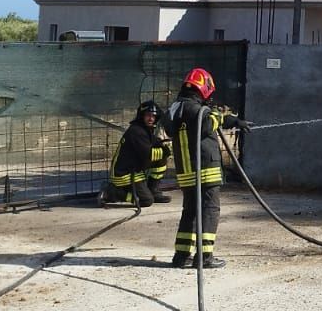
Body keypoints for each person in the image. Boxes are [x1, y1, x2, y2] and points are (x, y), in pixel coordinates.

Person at [167, 67, 251, 269]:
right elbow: (206, 124)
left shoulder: (174, 109)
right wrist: (220, 117)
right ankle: (205, 256)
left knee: (190, 211)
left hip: (186, 172)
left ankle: (181, 255)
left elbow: (207, 120)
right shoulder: (198, 111)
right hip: (205, 169)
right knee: (209, 210)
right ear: (204, 88)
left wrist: (234, 121)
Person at [99, 100, 170, 207]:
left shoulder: (145, 129)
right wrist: (166, 151)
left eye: (153, 116)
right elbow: (148, 155)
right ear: (142, 116)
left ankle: (153, 190)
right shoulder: (137, 131)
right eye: (148, 115)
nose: (151, 119)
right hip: (124, 174)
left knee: (161, 160)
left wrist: (163, 144)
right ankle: (112, 193)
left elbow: (155, 143)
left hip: (134, 169)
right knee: (146, 201)